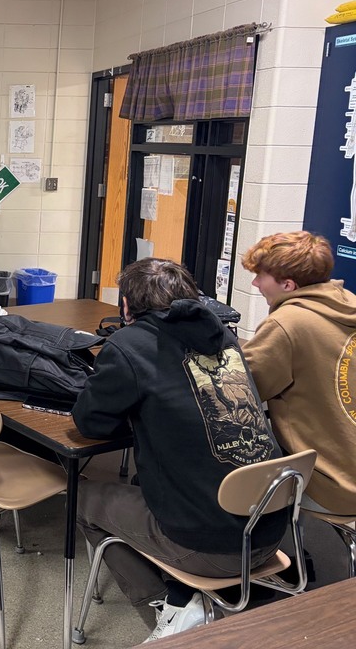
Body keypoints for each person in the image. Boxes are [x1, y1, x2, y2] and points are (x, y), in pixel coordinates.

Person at [72, 258, 286, 643]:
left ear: (126, 306)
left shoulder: (129, 345)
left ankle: (174, 605)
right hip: (269, 530)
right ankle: (184, 591)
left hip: (213, 549)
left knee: (81, 498)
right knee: (144, 482)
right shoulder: (222, 335)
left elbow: (91, 423)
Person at [241, 231, 356, 515]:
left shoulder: (287, 324)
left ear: (288, 285)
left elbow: (241, 390)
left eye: (260, 276)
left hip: (336, 488)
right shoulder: (347, 302)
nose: (255, 283)